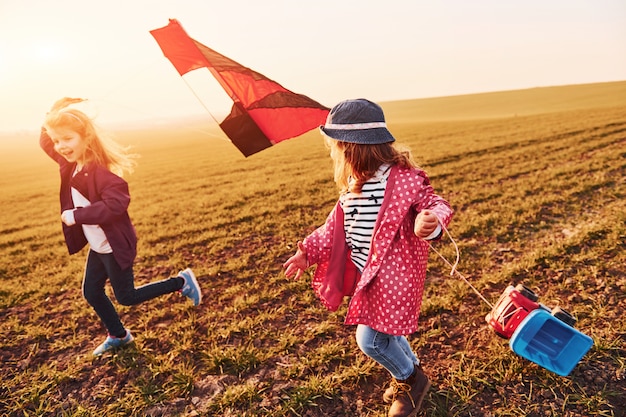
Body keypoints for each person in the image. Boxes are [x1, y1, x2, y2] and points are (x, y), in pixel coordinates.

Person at [283, 99, 453, 417]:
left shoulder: (401, 179)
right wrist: (308, 252)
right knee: (388, 332)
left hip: (395, 275)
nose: (335, 153)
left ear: (351, 146)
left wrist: (430, 220)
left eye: (336, 146)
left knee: (371, 339)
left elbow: (434, 201)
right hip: (367, 275)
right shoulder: (355, 184)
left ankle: (411, 381)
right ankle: (412, 370)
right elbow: (336, 226)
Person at [39, 97, 202, 357]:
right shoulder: (70, 165)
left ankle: (181, 281)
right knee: (91, 291)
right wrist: (55, 111)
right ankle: (119, 335)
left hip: (114, 246)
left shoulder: (101, 173)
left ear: (86, 137)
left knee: (126, 296)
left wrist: (77, 216)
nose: (60, 146)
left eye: (67, 139)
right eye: (57, 140)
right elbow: (46, 141)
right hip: (98, 247)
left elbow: (116, 205)